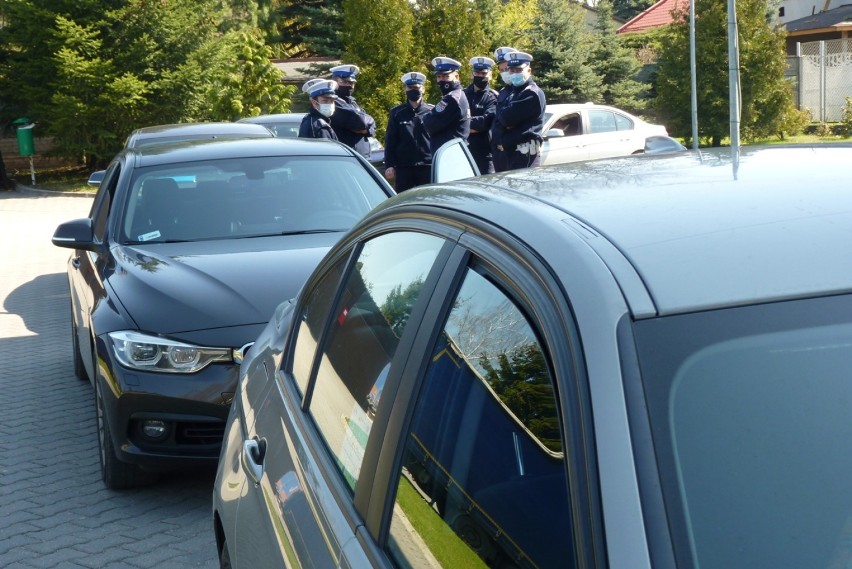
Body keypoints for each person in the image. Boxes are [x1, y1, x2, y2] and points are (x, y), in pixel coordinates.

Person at [490, 51, 546, 172]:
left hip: (524, 156)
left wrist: (504, 120)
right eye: (512, 70)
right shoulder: (512, 93)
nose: (514, 73)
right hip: (507, 155)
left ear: (529, 71)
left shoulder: (531, 93)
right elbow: (500, 119)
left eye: (519, 70)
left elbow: (505, 119)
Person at [384, 72, 434, 192]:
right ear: (405, 89)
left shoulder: (432, 111)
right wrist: (389, 165)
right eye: (410, 87)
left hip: (427, 166)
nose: (413, 90)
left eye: (416, 87)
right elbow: (390, 140)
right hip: (404, 168)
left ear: (423, 89)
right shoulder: (396, 113)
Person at [421, 57, 470, 156]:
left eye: (446, 76)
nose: (441, 80)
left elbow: (429, 124)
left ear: (456, 77)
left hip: (451, 155)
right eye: (439, 76)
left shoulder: (452, 98)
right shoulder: (456, 95)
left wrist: (428, 115)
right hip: (451, 153)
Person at [328, 64, 376, 159]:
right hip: (346, 158)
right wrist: (366, 124)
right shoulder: (334, 102)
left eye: (352, 83)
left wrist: (367, 128)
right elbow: (360, 123)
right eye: (345, 82)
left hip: (361, 157)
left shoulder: (352, 102)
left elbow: (373, 125)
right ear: (335, 82)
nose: (350, 85)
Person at [464, 56, 499, 174]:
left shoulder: (492, 97)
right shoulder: (462, 95)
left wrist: (461, 124)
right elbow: (450, 120)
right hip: (463, 153)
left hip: (485, 154)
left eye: (483, 74)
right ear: (472, 74)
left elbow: (485, 123)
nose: (480, 76)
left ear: (490, 75)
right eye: (477, 73)